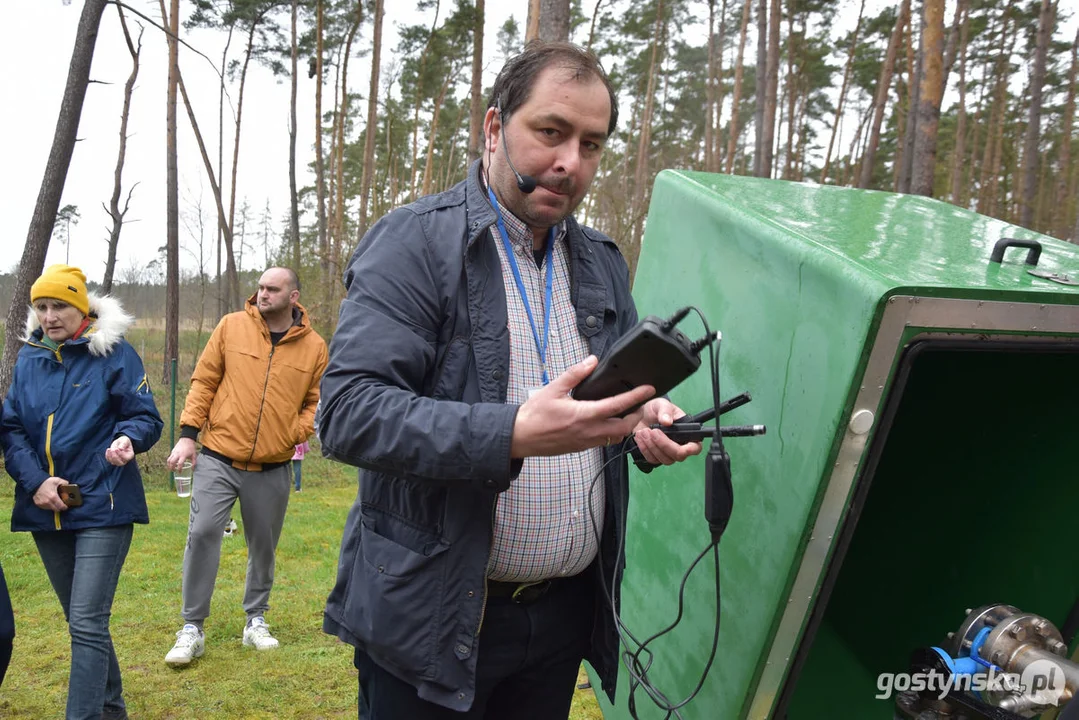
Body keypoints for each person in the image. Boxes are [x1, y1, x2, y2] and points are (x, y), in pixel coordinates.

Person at [317, 41, 702, 719]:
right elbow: (349, 412)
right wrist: (513, 431)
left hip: (560, 620)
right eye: (550, 133)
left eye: (591, 144)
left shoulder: (603, 261)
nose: (569, 163)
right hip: (431, 618)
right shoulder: (413, 243)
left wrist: (641, 422)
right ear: (493, 128)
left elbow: (598, 406)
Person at [0, 264, 163, 720]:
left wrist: (128, 439)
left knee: (88, 622)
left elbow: (146, 417)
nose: (50, 316)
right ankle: (112, 708)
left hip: (104, 501)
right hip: (45, 506)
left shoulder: (113, 353)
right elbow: (11, 429)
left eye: (60, 306)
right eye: (42, 306)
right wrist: (36, 483)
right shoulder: (29, 357)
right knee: (80, 622)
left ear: (81, 307)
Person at [163, 267, 327, 665]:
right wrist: (188, 434)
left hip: (273, 465)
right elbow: (203, 381)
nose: (262, 294)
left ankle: (255, 620)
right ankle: (192, 627)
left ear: (293, 296)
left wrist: (293, 431)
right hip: (218, 456)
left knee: (263, 546)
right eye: (260, 287)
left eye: (273, 289)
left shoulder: (315, 346)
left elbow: (317, 402)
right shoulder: (231, 327)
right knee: (202, 534)